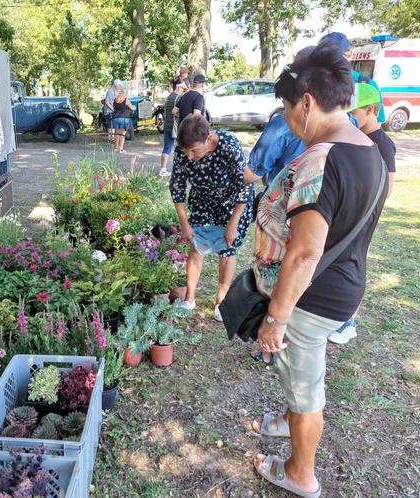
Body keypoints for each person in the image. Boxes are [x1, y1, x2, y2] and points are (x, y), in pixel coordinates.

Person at [250, 42, 387, 497]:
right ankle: (289, 423)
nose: (288, 119)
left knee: (306, 391)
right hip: (343, 285)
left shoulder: (321, 160)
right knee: (299, 378)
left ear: (307, 103)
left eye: (288, 109)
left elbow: (305, 253)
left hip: (311, 298)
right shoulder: (370, 150)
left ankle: (300, 475)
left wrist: (276, 317)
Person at [324, 81, 396, 346]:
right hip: (348, 211)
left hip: (363, 215)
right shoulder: (359, 139)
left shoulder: (382, 144)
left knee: (354, 261)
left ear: (371, 110)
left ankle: (348, 322)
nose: (350, 118)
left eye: (354, 113)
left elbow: (387, 187)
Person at [169, 114, 254, 319]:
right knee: (196, 246)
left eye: (194, 151)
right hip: (202, 199)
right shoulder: (184, 150)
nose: (188, 156)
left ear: (209, 139)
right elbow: (178, 186)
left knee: (227, 247)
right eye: (185, 151)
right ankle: (189, 298)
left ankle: (221, 301)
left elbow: (244, 184)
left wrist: (233, 224)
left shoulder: (228, 145)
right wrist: (184, 223)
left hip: (231, 201)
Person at [159, 79, 187, 177]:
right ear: (179, 87)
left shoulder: (169, 97)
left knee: (167, 148)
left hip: (167, 125)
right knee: (183, 147)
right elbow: (178, 112)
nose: (183, 90)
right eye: (183, 88)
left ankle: (162, 169)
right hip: (176, 126)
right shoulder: (178, 98)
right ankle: (183, 170)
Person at [111, 89, 135, 153]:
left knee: (116, 133)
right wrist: (134, 107)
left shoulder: (115, 99)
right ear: (125, 93)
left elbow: (113, 108)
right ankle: (120, 149)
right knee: (122, 134)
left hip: (115, 118)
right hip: (124, 118)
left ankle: (116, 148)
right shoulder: (126, 99)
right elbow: (132, 108)